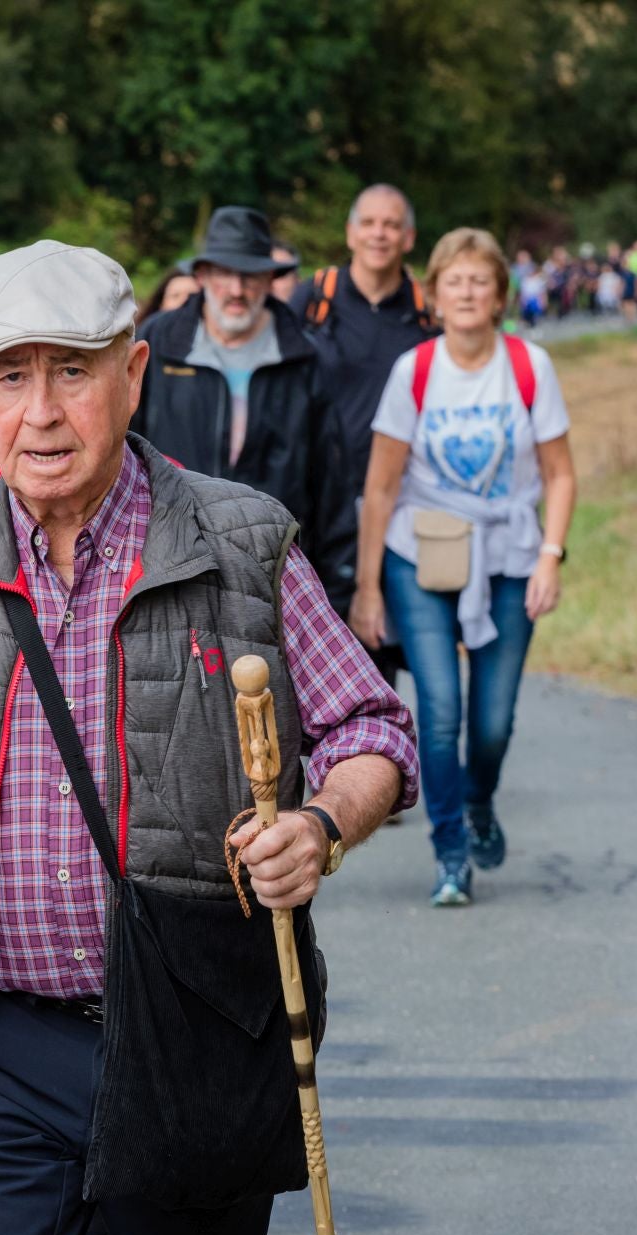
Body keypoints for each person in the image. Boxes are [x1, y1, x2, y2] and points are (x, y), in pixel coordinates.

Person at [0, 240, 417, 1235]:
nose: (42, 413)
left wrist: (319, 825)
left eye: (72, 371)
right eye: (10, 377)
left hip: (193, 1031)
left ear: (133, 373)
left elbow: (373, 729)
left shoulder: (241, 541)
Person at [348, 228, 577, 908]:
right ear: (434, 296)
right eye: (455, 281)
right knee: (440, 711)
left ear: (500, 295)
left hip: (509, 555)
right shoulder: (415, 371)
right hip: (421, 553)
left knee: (494, 720)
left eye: (481, 281)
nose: (468, 293)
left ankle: (479, 800)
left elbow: (560, 474)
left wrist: (550, 557)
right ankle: (450, 852)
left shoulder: (529, 366)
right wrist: (367, 587)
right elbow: (381, 488)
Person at [132, 206, 356, 609]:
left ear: (269, 279)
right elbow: (122, 445)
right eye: (224, 273)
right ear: (202, 276)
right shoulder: (160, 343)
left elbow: (331, 481)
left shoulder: (305, 358)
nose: (236, 289)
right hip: (169, 562)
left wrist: (338, 585)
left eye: (250, 275)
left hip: (273, 566)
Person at [291, 183, 438, 680]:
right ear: (351, 233)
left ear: (409, 238)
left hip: (399, 504)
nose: (380, 234)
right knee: (308, 651)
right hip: (319, 504)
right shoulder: (313, 299)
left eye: (391, 225)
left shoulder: (426, 311)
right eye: (369, 223)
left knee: (378, 657)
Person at [134, 265, 201, 327]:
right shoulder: (143, 332)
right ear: (161, 303)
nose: (184, 301)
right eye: (175, 295)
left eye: (192, 296)